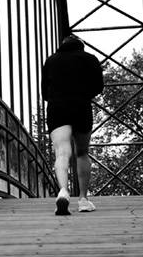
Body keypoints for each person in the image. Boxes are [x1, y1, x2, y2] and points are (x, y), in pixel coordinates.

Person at [41, 34, 104, 216]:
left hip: (57, 108)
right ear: (80, 46)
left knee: (61, 152)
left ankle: (63, 191)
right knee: (82, 152)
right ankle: (83, 199)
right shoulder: (89, 59)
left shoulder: (51, 60)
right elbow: (98, 86)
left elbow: (45, 92)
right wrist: (83, 94)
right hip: (80, 106)